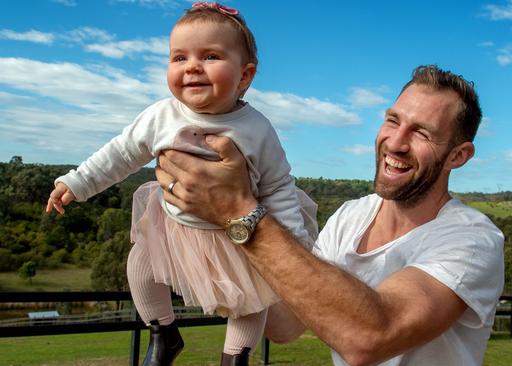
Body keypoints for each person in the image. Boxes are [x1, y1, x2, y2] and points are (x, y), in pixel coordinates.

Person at [155, 64, 505, 365]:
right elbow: (286, 325)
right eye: (392, 120)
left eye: (421, 133)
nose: (396, 143)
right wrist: (213, 222)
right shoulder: (350, 216)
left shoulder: (472, 241)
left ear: (458, 156)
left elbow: (368, 338)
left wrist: (239, 212)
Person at [45, 2, 316, 365]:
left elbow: (279, 187)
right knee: (140, 265)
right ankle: (163, 333)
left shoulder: (257, 128)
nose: (192, 66)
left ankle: (235, 356)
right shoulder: (161, 115)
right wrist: (77, 183)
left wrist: (294, 249)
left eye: (210, 56)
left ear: (245, 75)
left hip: (238, 233)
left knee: (250, 296)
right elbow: (121, 153)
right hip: (175, 227)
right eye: (178, 58)